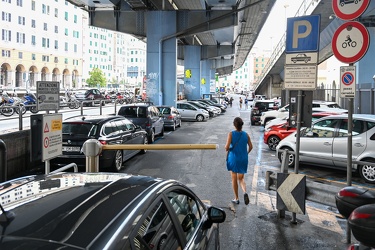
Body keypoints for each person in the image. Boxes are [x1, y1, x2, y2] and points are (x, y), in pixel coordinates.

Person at [225, 117, 253, 205]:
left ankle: (236, 198)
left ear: (234, 125)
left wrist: (228, 147)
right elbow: (251, 147)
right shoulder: (246, 134)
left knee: (234, 178)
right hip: (243, 159)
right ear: (242, 125)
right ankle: (245, 192)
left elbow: (226, 148)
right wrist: (246, 153)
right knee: (241, 178)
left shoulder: (231, 134)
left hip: (234, 158)